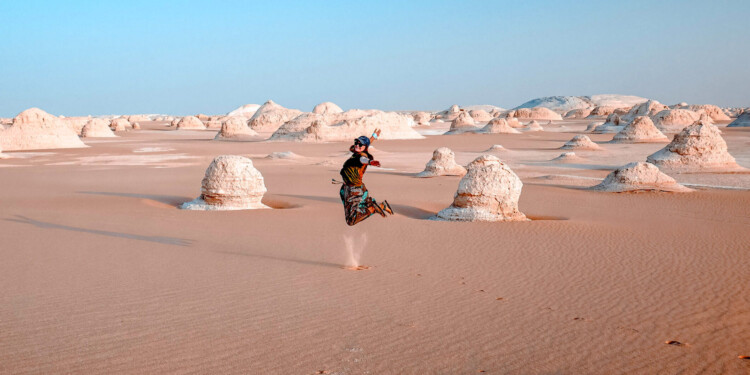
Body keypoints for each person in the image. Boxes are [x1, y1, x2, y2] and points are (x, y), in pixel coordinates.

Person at [339, 129, 393, 226]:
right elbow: (365, 144)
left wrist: (370, 162)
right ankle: (376, 205)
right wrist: (374, 137)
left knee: (351, 220)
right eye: (356, 143)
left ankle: (374, 208)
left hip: (354, 189)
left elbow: (363, 160)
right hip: (349, 188)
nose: (357, 145)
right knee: (345, 199)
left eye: (360, 145)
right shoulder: (357, 151)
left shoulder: (360, 156)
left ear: (365, 148)